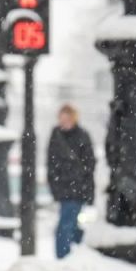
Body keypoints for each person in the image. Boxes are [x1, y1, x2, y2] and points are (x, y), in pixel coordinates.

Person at [47, 104, 96, 259]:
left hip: (78, 188)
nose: (64, 121)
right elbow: (51, 163)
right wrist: (55, 184)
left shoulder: (82, 136)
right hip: (64, 188)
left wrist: (82, 180)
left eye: (67, 118)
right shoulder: (56, 136)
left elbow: (90, 163)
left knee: (67, 225)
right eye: (62, 118)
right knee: (69, 224)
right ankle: (72, 253)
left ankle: (67, 257)